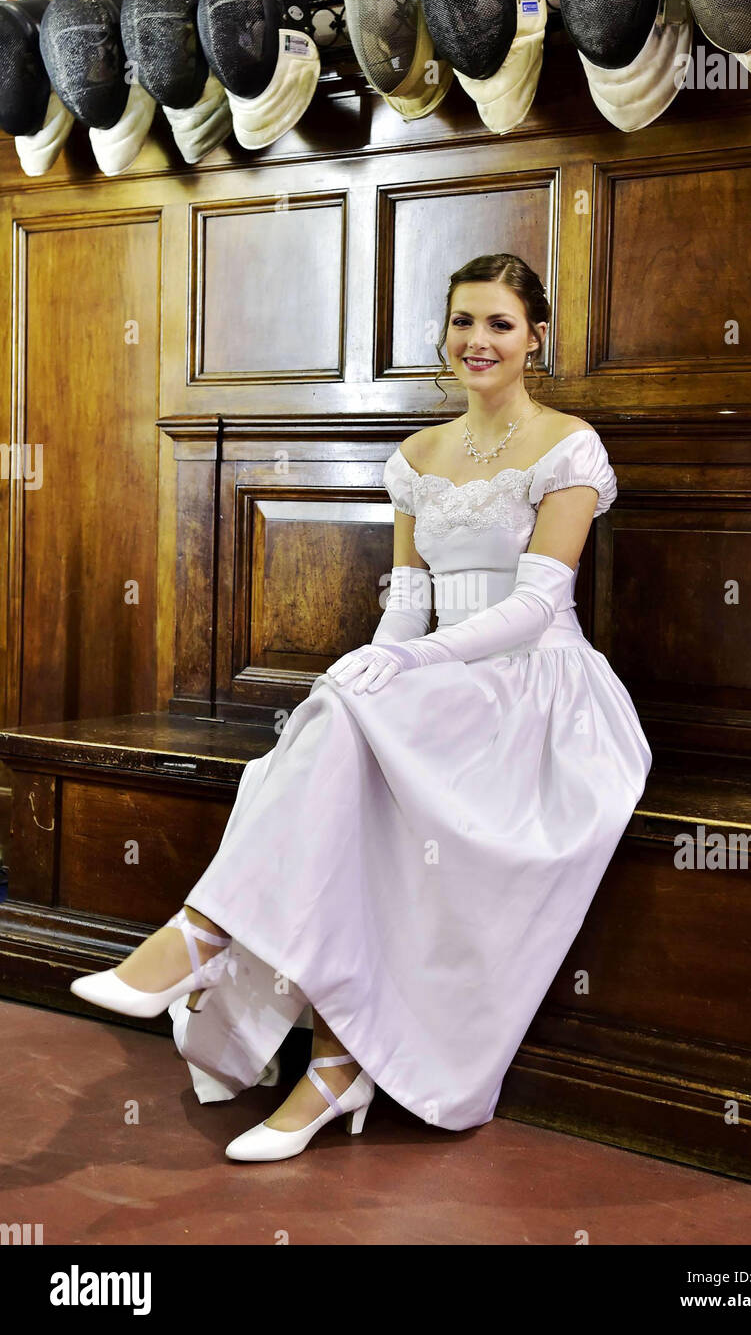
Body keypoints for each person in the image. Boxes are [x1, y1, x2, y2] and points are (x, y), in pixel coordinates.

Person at [71, 251, 652, 1162]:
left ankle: (208, 945)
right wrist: (378, 668)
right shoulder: (417, 457)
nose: (478, 340)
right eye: (463, 321)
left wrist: (409, 667)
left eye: (499, 323)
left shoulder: (568, 445)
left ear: (535, 337)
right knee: (338, 721)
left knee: (362, 750)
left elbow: (537, 605)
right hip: (437, 675)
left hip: (538, 689)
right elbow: (406, 601)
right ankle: (326, 1062)